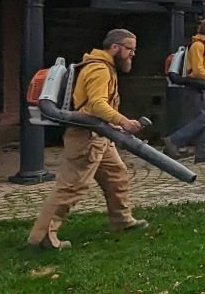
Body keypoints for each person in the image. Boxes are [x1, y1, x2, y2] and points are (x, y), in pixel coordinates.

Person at [26, 28, 150, 250]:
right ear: (114, 47)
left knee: (116, 175)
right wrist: (124, 122)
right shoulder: (99, 69)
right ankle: (42, 236)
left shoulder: (105, 67)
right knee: (71, 187)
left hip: (99, 135)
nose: (133, 54)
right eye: (130, 49)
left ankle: (122, 220)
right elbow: (96, 104)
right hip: (86, 137)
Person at [164, 16, 205, 164]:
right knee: (204, 118)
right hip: (197, 87)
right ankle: (173, 140)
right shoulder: (197, 46)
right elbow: (197, 70)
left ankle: (201, 152)